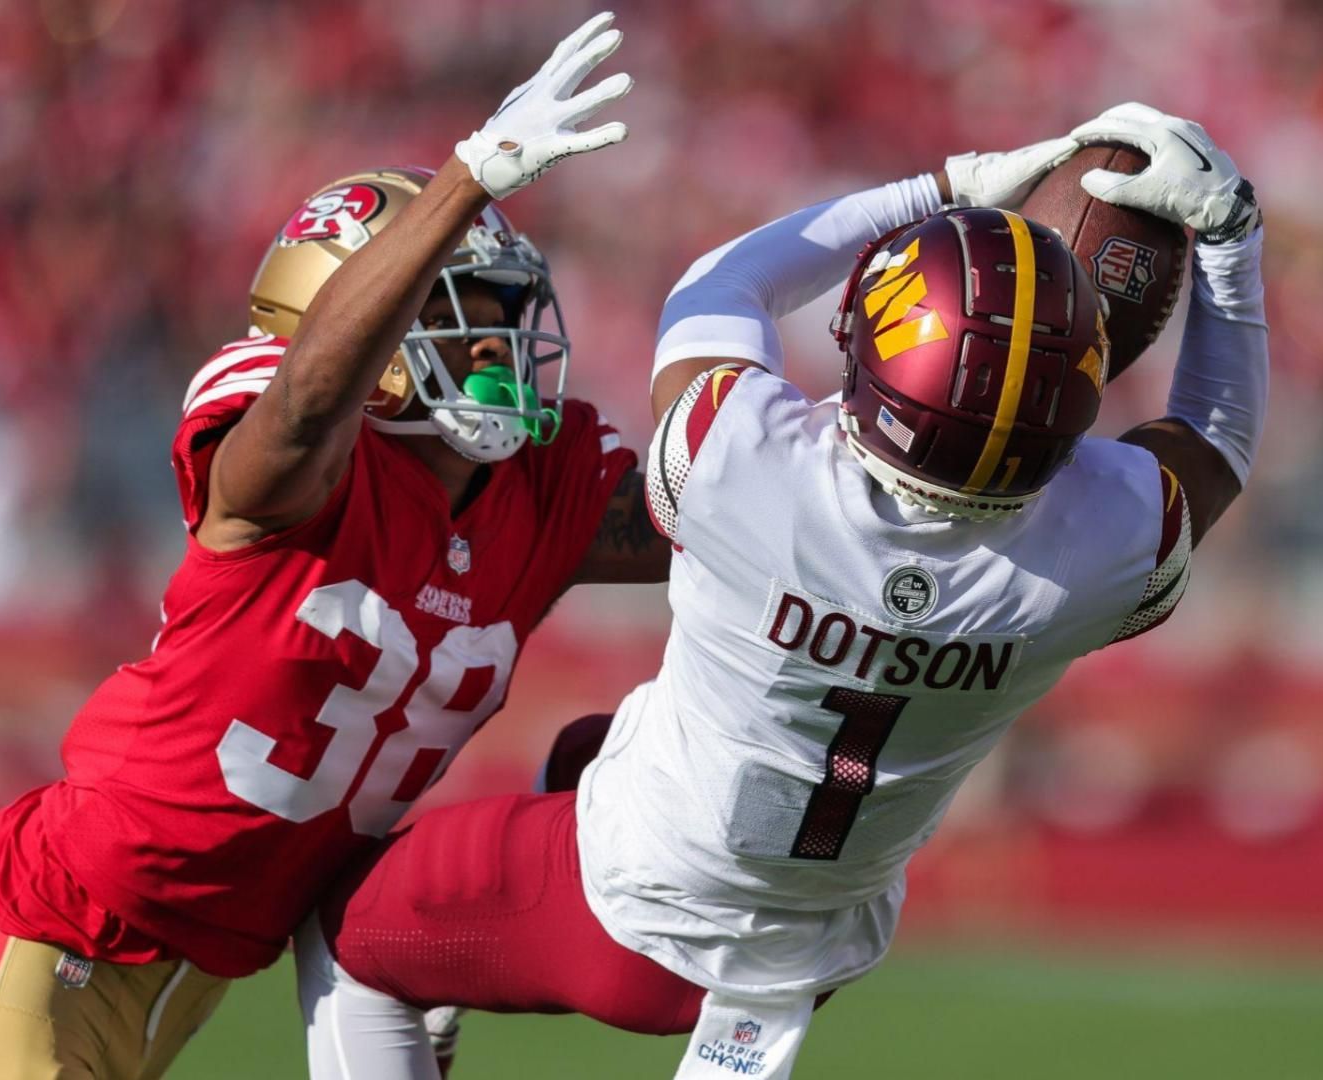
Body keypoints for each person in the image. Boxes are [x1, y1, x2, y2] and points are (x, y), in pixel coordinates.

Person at [296, 102, 1267, 1079]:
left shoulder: (742, 463)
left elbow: (726, 280)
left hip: (633, 911)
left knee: (345, 931)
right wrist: (1231, 242)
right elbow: (1216, 441)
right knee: (589, 747)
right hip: (825, 937)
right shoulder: (1104, 541)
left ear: (874, 352)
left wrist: (945, 187)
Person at [0, 13, 649, 1079]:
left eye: (507, 316)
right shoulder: (285, 449)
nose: (493, 347)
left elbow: (732, 517)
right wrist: (460, 186)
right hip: (55, 929)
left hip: (191, 983)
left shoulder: (534, 496)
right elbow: (301, 413)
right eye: (458, 311)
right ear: (352, 319)